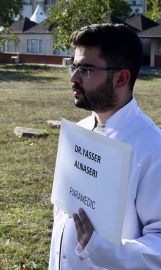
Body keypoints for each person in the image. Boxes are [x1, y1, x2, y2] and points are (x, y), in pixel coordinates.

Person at [49, 24, 161, 269]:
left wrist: (100, 250)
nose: (73, 78)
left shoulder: (153, 149)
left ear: (121, 78)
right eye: (74, 66)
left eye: (86, 69)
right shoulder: (78, 131)